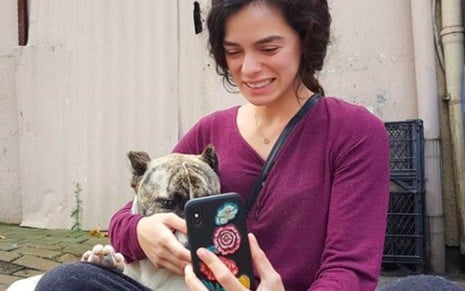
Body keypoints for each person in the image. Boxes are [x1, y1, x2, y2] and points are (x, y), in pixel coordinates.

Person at [34, 0, 390, 290]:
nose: (249, 68)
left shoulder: (354, 132)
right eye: (234, 51)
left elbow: (349, 272)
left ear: (306, 40)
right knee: (67, 282)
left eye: (268, 47)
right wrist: (143, 233)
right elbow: (125, 218)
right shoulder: (210, 131)